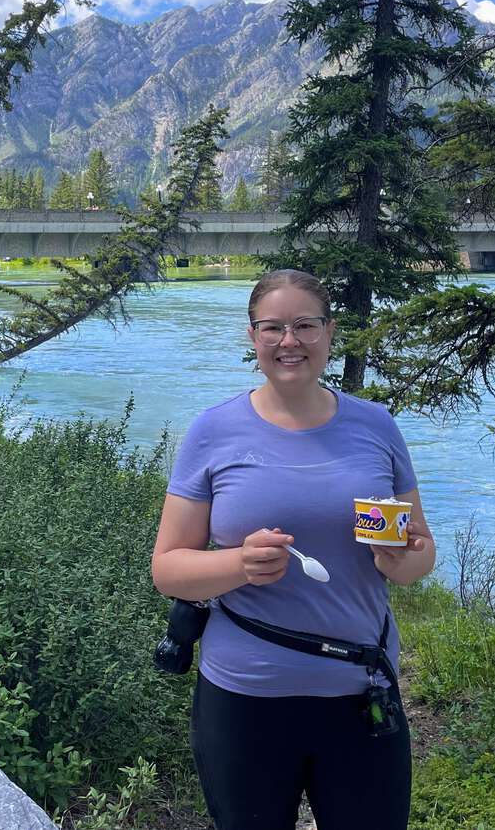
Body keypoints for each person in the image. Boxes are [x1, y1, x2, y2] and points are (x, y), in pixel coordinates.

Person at [151, 268, 435, 830]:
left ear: (330, 333)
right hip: (245, 695)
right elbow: (168, 569)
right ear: (252, 336)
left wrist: (404, 560)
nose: (290, 341)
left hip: (362, 687)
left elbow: (420, 552)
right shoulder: (213, 431)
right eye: (273, 327)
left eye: (305, 325)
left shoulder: (376, 426)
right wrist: (237, 564)